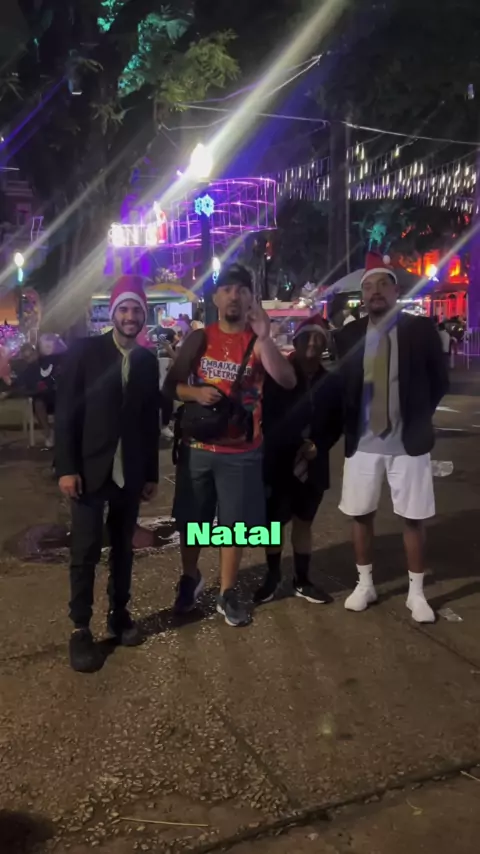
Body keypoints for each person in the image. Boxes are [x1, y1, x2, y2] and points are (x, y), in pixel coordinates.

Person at [164, 263, 296, 627]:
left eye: (241, 289)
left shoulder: (257, 341)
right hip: (198, 448)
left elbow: (287, 380)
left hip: (241, 452)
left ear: (251, 298)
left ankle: (227, 591)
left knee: (232, 526)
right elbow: (170, 386)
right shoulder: (199, 338)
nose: (234, 296)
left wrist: (265, 337)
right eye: (227, 289)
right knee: (193, 521)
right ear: (215, 298)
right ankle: (190, 577)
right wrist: (195, 393)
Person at [335, 253, 449, 624]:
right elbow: (342, 386)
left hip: (408, 443)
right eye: (368, 287)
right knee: (360, 514)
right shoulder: (349, 335)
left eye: (383, 284)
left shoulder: (419, 330)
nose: (375, 292)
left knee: (413, 518)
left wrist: (418, 417)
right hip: (363, 444)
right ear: (362, 296)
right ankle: (365, 584)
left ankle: (416, 593)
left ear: (396, 291)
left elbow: (439, 380)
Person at [55, 275, 160, 672]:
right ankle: (80, 628)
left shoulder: (147, 361)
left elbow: (150, 421)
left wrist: (150, 473)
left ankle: (119, 613)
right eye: (124, 309)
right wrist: (67, 468)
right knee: (84, 551)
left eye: (137, 310)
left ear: (144, 316)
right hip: (88, 470)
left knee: (123, 549)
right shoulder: (86, 352)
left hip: (128, 473)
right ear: (113, 313)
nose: (130, 317)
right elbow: (66, 412)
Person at [254, 315, 343, 605]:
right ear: (296, 341)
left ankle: (302, 580)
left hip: (313, 465)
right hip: (278, 461)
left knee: (304, 522)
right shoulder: (278, 374)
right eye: (307, 337)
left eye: (319, 338)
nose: (313, 343)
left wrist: (319, 445)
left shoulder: (331, 382)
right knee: (274, 524)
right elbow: (265, 414)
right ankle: (272, 577)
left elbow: (336, 424)